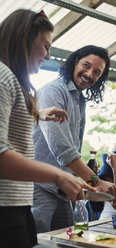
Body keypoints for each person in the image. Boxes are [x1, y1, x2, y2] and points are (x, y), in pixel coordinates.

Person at [0, 9, 95, 248]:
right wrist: (59, 175)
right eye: (44, 45)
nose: (48, 54)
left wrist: (37, 114)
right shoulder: (3, 77)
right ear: (24, 39)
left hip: (16, 203)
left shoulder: (11, 79)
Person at [32, 45, 116, 232]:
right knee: (36, 242)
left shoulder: (79, 99)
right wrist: (96, 181)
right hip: (38, 187)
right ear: (74, 62)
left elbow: (71, 149)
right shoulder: (53, 91)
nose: (89, 74)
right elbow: (62, 148)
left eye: (97, 72)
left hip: (63, 189)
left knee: (66, 240)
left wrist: (84, 181)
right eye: (86, 66)